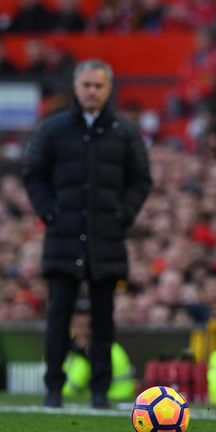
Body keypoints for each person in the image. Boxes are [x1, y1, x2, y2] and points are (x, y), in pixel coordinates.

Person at [22, 59, 152, 408]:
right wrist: (50, 212)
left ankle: (100, 391)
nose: (92, 91)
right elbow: (33, 173)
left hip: (106, 239)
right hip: (63, 236)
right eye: (86, 85)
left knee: (103, 319)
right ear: (76, 88)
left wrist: (122, 215)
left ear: (108, 89)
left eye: (98, 86)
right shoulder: (53, 129)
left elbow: (141, 179)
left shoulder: (124, 131)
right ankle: (53, 389)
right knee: (58, 316)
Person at [62, 303, 135, 402]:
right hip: (118, 398)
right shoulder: (113, 347)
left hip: (113, 399)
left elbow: (71, 389)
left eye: (85, 326)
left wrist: (82, 355)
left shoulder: (91, 351)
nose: (82, 331)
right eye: (78, 326)